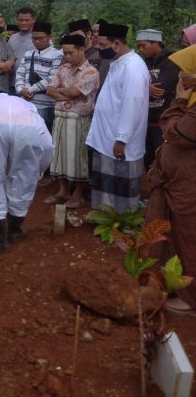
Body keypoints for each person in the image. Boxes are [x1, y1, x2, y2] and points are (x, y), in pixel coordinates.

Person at [145, 47, 196, 314]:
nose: (181, 77)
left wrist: (178, 101)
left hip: (189, 186)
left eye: (186, 71)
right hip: (179, 183)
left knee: (189, 236)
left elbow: (178, 134)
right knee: (177, 234)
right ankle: (172, 281)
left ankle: (191, 298)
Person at [0, 94, 53, 252]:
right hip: (28, 131)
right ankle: (15, 228)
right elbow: (47, 146)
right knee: (24, 178)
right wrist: (38, 171)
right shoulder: (30, 108)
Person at [85, 22, 149, 212]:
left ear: (117, 44)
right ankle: (105, 216)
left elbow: (132, 105)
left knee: (121, 182)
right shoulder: (118, 63)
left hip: (119, 137)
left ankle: (123, 220)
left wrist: (122, 139)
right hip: (106, 133)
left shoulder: (133, 68)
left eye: (103, 46)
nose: (100, 49)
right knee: (105, 178)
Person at [45, 34, 100, 208]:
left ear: (82, 49)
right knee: (59, 155)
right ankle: (63, 191)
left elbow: (76, 93)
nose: (67, 57)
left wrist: (61, 92)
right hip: (60, 117)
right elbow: (49, 89)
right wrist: (66, 93)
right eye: (65, 53)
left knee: (78, 158)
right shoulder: (63, 69)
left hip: (79, 120)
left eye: (71, 53)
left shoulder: (91, 72)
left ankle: (77, 194)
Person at [136, 28, 180, 169]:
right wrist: (146, 87)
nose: (141, 49)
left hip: (163, 120)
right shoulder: (142, 62)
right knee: (146, 160)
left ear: (156, 42)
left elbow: (160, 88)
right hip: (144, 120)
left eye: (144, 45)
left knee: (161, 160)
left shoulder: (172, 60)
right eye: (138, 46)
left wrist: (143, 86)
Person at [14, 21, 63, 133]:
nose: (37, 41)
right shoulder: (28, 54)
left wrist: (30, 90)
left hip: (46, 105)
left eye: (41, 38)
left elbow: (52, 78)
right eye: (34, 38)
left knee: (43, 135)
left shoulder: (58, 55)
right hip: (26, 103)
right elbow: (20, 74)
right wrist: (20, 89)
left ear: (49, 37)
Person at [7, 7, 36, 93]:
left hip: (32, 86)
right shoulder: (12, 39)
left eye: (27, 20)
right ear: (17, 21)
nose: (23, 23)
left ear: (33, 20)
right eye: (21, 20)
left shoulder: (40, 38)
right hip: (12, 84)